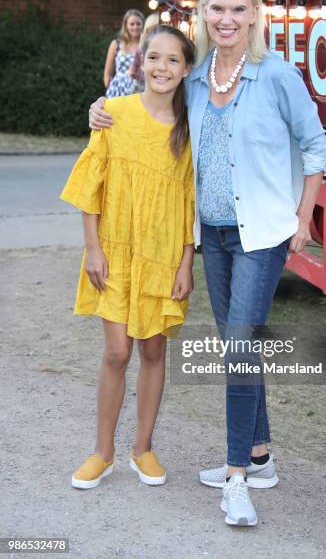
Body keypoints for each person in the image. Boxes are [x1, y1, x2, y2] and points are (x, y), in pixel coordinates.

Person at [88, 0, 326, 526]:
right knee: (235, 343)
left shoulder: (277, 76)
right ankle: (261, 455)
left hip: (262, 234)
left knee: (240, 348)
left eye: (237, 9)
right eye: (216, 9)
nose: (226, 19)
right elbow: (148, 117)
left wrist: (303, 217)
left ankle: (236, 480)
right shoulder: (195, 80)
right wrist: (100, 113)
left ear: (254, 15)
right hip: (213, 237)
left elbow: (316, 149)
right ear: (203, 15)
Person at [60, 26, 196, 490]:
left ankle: (143, 448)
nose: (162, 67)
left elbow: (189, 202)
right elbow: (90, 187)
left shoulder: (190, 128)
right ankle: (103, 452)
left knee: (154, 348)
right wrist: (92, 249)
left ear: (186, 69)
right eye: (154, 57)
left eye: (173, 60)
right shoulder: (113, 114)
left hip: (161, 256)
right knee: (117, 351)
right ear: (140, 63)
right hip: (114, 251)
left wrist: (185, 264)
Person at [103, 9, 145, 98]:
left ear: (143, 25)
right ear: (126, 25)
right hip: (117, 89)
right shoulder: (116, 44)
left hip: (139, 89)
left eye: (138, 24)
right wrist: (109, 87)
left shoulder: (146, 45)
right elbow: (108, 73)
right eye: (132, 24)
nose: (135, 27)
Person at [128, 12, 160, 92]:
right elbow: (132, 71)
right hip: (144, 86)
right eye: (153, 31)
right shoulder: (141, 49)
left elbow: (132, 71)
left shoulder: (141, 48)